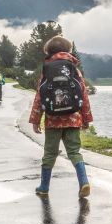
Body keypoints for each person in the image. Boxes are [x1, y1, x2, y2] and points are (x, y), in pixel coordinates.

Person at [29, 36, 93, 198]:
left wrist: (36, 120)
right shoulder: (74, 69)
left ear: (49, 51)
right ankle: (84, 181)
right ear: (68, 51)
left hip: (52, 120)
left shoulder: (47, 69)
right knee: (74, 152)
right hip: (73, 118)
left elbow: (39, 96)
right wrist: (86, 119)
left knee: (50, 153)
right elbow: (84, 95)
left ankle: (44, 187)